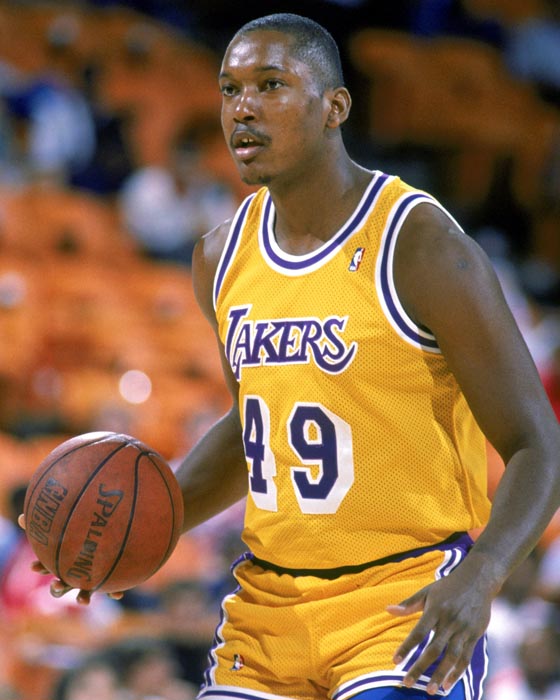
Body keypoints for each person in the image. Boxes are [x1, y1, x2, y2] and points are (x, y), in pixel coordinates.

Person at [20, 13, 560, 700]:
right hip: (268, 612)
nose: (243, 107)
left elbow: (537, 443)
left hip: (400, 601)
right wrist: (126, 531)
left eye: (270, 85)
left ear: (335, 107)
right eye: (229, 89)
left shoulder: (419, 244)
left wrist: (483, 574)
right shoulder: (220, 256)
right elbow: (254, 430)